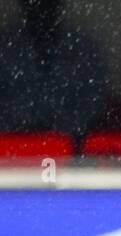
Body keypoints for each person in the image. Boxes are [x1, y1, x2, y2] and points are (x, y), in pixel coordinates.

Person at [0, 0, 107, 144]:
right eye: (34, 2)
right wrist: (20, 126)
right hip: (11, 146)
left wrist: (61, 128)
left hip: (72, 146)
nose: (41, 7)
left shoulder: (83, 48)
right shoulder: (5, 46)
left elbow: (93, 101)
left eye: (47, 3)